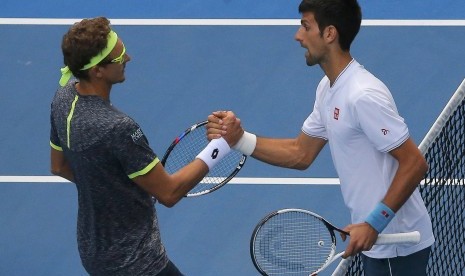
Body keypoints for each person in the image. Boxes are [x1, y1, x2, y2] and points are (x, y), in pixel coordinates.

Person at [206, 0, 435, 275]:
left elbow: (415, 163)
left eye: (306, 26)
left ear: (329, 33)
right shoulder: (328, 88)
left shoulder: (362, 95)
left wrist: (374, 223)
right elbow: (300, 153)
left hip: (395, 246)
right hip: (378, 241)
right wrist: (239, 139)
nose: (298, 36)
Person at [50, 17, 233, 276]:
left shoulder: (62, 98)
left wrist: (113, 190)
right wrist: (221, 145)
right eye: (120, 56)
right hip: (137, 264)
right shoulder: (119, 128)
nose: (128, 58)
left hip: (94, 253)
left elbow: (58, 166)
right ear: (97, 71)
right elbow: (169, 193)